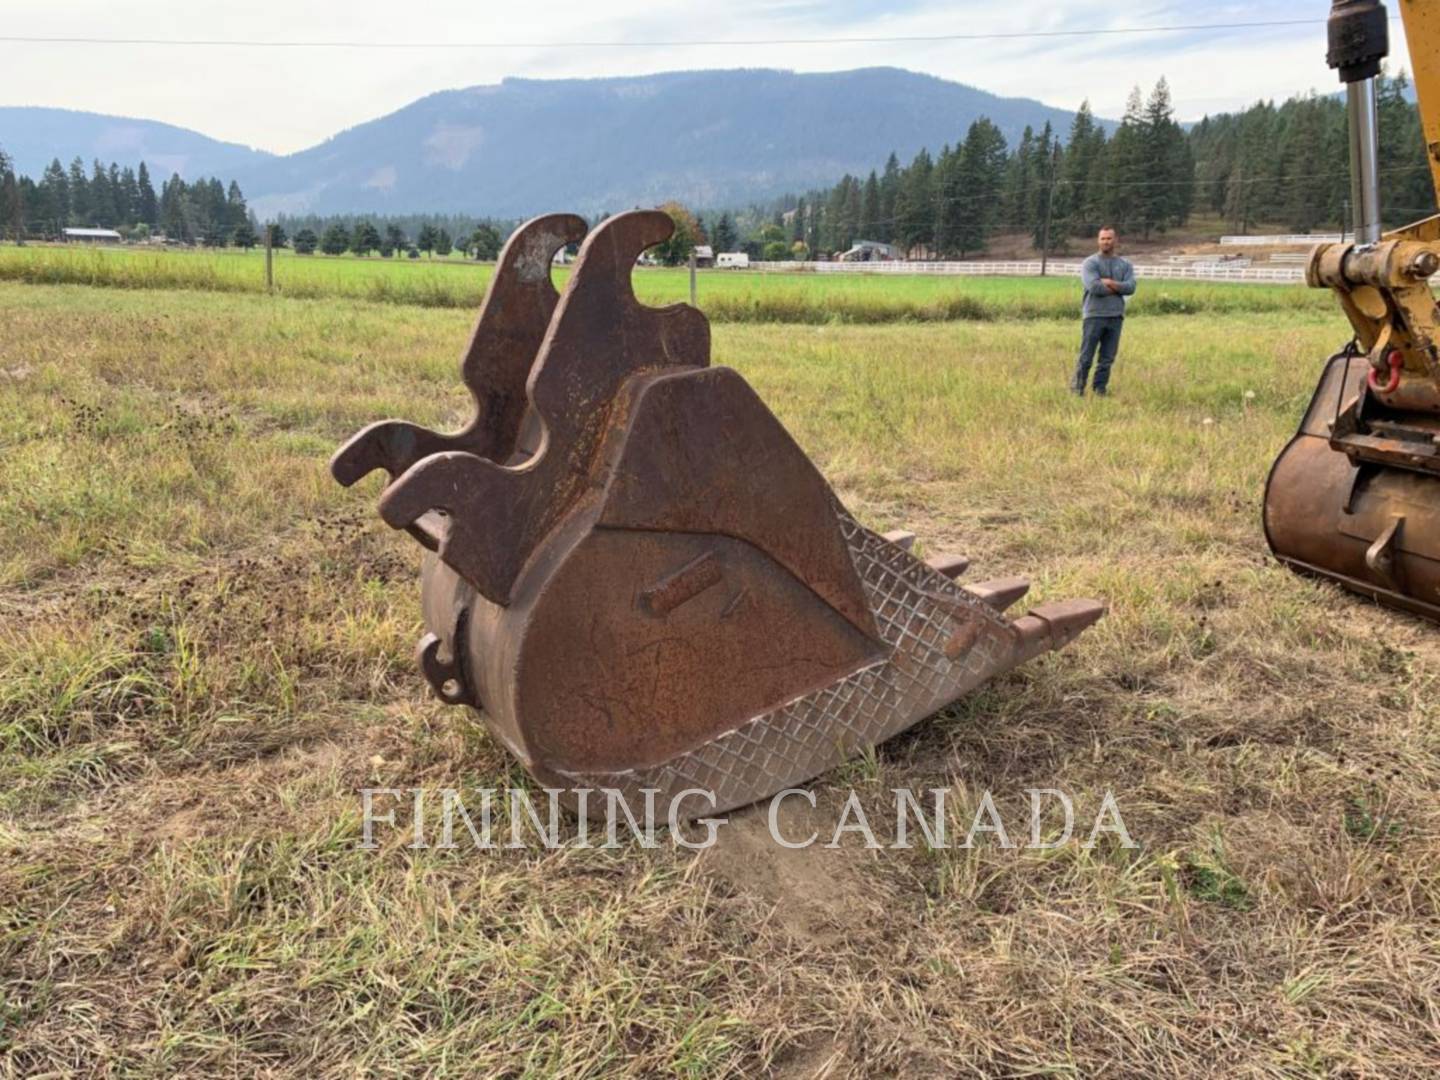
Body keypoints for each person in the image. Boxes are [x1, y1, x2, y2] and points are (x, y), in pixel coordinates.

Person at [1071, 227, 1136, 397]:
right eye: (1103, 238)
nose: (1106, 241)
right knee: (1086, 357)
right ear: (1098, 241)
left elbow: (1131, 288)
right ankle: (1077, 390)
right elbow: (1094, 287)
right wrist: (1119, 288)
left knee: (1107, 359)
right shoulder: (1090, 263)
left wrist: (1109, 283)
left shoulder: (1125, 264)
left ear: (1116, 240)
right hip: (1094, 315)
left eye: (1109, 238)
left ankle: (1100, 390)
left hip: (1115, 317)